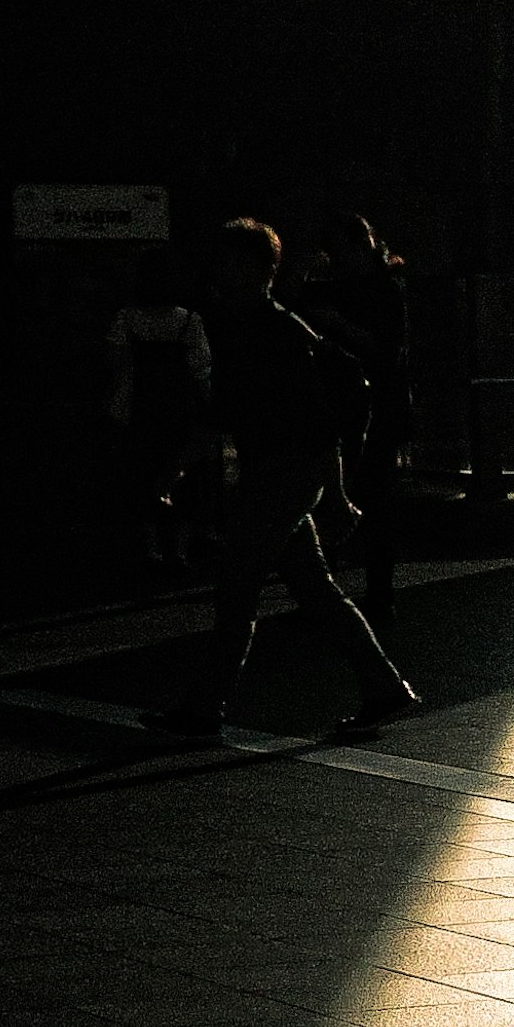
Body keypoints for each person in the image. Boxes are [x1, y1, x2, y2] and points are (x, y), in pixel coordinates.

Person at [163, 221, 416, 737]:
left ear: (257, 270)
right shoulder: (258, 324)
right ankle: (384, 688)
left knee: (237, 588)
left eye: (230, 262)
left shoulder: (268, 330)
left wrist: (339, 496)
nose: (218, 272)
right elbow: (232, 412)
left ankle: (205, 708)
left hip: (283, 475)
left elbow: (310, 422)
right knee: (315, 590)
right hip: (284, 475)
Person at [295, 209, 412, 631]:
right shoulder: (379, 287)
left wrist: (334, 324)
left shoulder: (351, 292)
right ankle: (373, 593)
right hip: (371, 403)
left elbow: (386, 351)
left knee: (360, 497)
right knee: (372, 498)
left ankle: (364, 592)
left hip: (356, 405)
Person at [103, 279, 213, 574]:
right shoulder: (188, 320)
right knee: (183, 479)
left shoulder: (127, 318)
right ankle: (179, 550)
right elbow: (201, 366)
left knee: (142, 476)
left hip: (137, 408)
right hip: (178, 410)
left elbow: (115, 363)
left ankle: (151, 549)